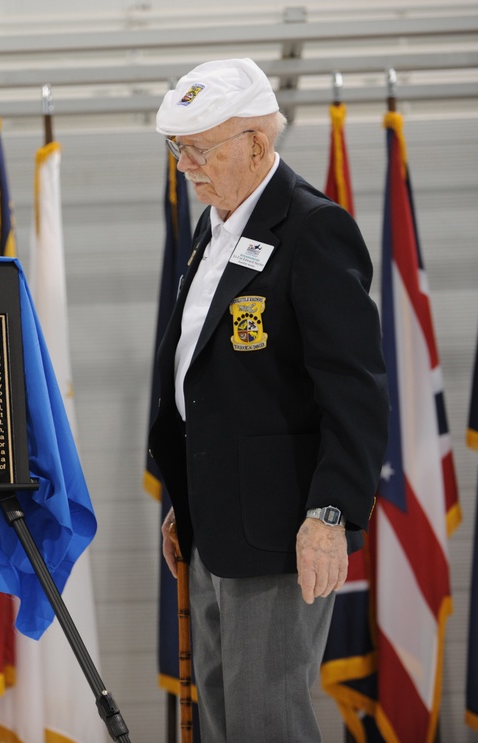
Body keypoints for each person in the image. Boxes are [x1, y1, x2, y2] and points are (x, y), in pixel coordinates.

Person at [147, 58, 388, 742]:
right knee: (225, 716)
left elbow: (357, 387)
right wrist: (185, 495)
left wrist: (331, 510)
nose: (186, 164)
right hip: (212, 524)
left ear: (255, 142)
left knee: (266, 719)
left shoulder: (312, 228)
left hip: (284, 529)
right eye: (178, 148)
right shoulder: (214, 227)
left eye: (200, 148)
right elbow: (214, 384)